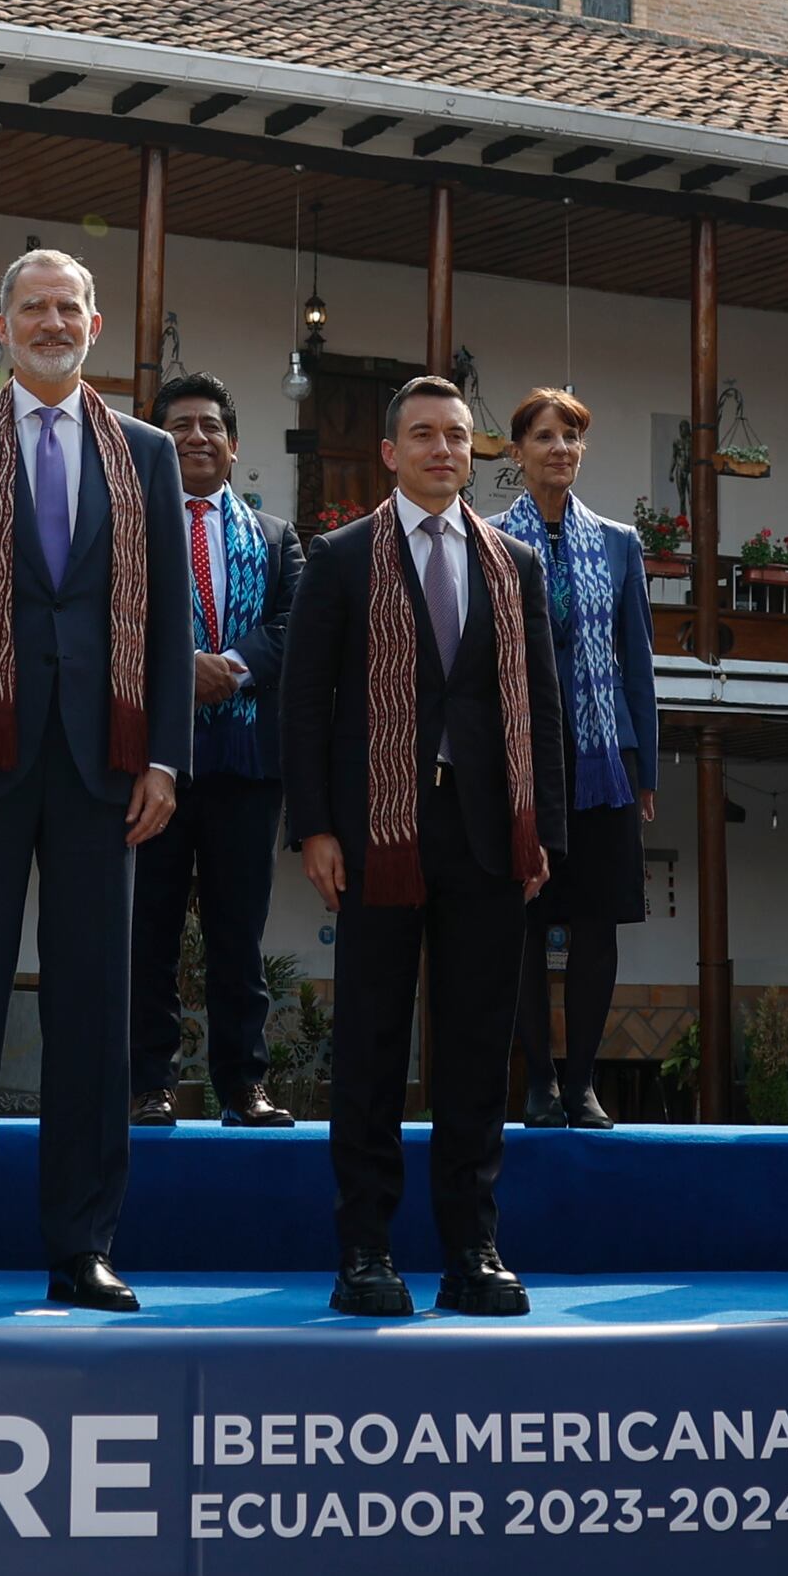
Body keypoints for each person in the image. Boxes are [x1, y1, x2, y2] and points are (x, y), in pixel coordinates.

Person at [0, 247, 193, 1312]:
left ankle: (82, 1244)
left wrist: (162, 755)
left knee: (92, 1016)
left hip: (104, 767)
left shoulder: (143, 453)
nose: (51, 322)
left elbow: (168, 621)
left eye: (69, 307)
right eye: (31, 307)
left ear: (94, 327)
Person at [285, 372, 568, 1318]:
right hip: (376, 833)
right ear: (390, 452)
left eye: (457, 435)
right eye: (424, 434)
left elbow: (544, 705)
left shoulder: (511, 561)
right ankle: (366, 1248)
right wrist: (316, 825)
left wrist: (545, 834)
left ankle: (472, 1249)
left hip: (489, 838)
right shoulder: (338, 557)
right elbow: (304, 702)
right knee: (369, 1047)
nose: (444, 448)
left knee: (478, 1054)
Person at [129, 370, 299, 1127]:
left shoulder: (276, 537)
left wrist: (223, 667)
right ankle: (147, 1084)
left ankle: (245, 1086)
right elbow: (113, 621)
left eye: (210, 426)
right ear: (154, 444)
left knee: (239, 934)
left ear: (234, 446)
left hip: (244, 765)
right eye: (179, 425)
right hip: (149, 762)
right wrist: (178, 666)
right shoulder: (125, 529)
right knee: (148, 931)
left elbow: (295, 626)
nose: (196, 436)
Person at [492, 387, 658, 1128]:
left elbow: (637, 661)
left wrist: (644, 765)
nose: (560, 447)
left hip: (601, 755)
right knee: (523, 920)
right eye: (545, 435)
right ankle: (538, 1085)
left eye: (572, 436)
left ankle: (584, 1081)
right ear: (517, 451)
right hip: (519, 755)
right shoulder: (489, 538)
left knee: (597, 922)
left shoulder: (620, 541)